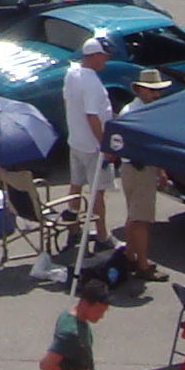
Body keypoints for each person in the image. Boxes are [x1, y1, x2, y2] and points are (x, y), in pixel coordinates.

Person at [48, 36, 114, 284]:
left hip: (75, 141)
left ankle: (73, 229)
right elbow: (92, 116)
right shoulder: (92, 83)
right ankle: (102, 236)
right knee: (98, 192)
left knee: (76, 186)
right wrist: (104, 144)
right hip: (91, 145)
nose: (106, 60)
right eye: (104, 56)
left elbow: (68, 102)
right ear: (94, 55)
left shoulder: (72, 74)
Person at [114, 66, 173, 278]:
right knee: (142, 220)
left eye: (157, 90)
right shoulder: (136, 114)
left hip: (134, 169)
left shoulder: (133, 111)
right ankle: (143, 265)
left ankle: (131, 257)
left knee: (134, 217)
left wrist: (160, 169)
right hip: (138, 169)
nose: (156, 94)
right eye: (152, 90)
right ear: (140, 90)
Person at [41, 276, 109, 370]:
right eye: (99, 311)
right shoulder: (71, 333)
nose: (101, 316)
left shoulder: (69, 315)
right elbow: (46, 364)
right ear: (84, 303)